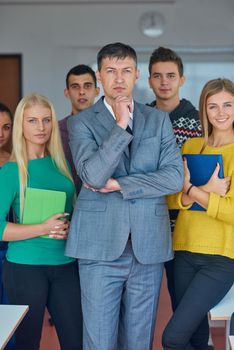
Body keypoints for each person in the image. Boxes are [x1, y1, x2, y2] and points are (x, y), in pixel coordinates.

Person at [65, 42, 184, 350]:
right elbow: (92, 175)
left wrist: (120, 185)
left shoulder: (157, 120)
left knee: (138, 342)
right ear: (99, 76)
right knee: (100, 342)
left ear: (137, 76)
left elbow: (173, 178)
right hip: (99, 248)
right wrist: (119, 125)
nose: (119, 79)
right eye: (111, 71)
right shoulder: (82, 122)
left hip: (148, 247)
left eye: (126, 71)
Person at [0, 93, 82, 350]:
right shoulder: (12, 171)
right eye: (32, 121)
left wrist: (70, 229)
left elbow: (75, 213)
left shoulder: (63, 166)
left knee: (76, 341)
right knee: (27, 344)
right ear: (21, 126)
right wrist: (43, 228)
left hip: (66, 265)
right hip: (25, 268)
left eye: (46, 120)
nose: (41, 128)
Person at [162, 78, 234, 350]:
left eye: (228, 104)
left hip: (221, 258)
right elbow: (170, 198)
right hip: (183, 250)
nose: (221, 112)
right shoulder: (191, 147)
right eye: (213, 106)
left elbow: (231, 211)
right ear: (204, 109)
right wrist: (206, 191)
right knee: (194, 337)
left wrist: (191, 189)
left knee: (172, 338)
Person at [148, 46, 202, 312]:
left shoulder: (200, 122)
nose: (164, 82)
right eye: (157, 76)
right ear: (149, 81)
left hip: (186, 226)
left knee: (184, 300)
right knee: (141, 300)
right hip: (146, 222)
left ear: (181, 79)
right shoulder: (140, 118)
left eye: (170, 75)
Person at [59, 64, 100, 194]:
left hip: (102, 204)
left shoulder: (110, 129)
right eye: (75, 87)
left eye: (87, 86)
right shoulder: (56, 131)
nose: (81, 92)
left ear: (97, 91)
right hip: (66, 204)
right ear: (67, 93)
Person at [0, 102, 13, 304]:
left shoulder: (14, 162)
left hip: (10, 245)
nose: (1, 133)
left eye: (6, 127)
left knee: (10, 309)